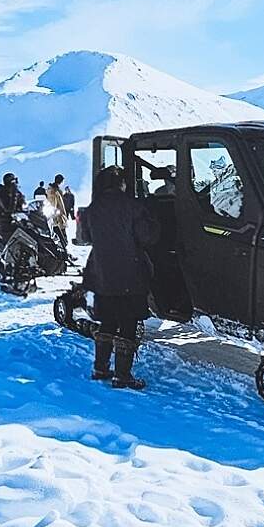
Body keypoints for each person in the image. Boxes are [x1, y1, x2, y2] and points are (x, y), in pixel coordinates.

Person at [83, 166, 160, 390]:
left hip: (102, 274)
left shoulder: (93, 208)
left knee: (107, 321)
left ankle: (100, 367)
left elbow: (86, 236)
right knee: (127, 324)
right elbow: (148, 237)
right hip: (129, 275)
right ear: (120, 183)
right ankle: (122, 375)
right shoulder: (133, 207)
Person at [0, 172, 25, 238]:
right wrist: (14, 193)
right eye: (13, 182)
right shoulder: (1, 192)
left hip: (16, 220)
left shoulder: (15, 192)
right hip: (5, 223)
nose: (15, 184)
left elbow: (23, 204)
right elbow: (9, 209)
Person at [46, 174, 69, 247]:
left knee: (61, 236)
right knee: (62, 236)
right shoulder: (54, 191)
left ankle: (64, 251)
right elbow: (54, 204)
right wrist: (56, 215)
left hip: (58, 216)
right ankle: (64, 253)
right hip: (58, 216)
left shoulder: (54, 190)